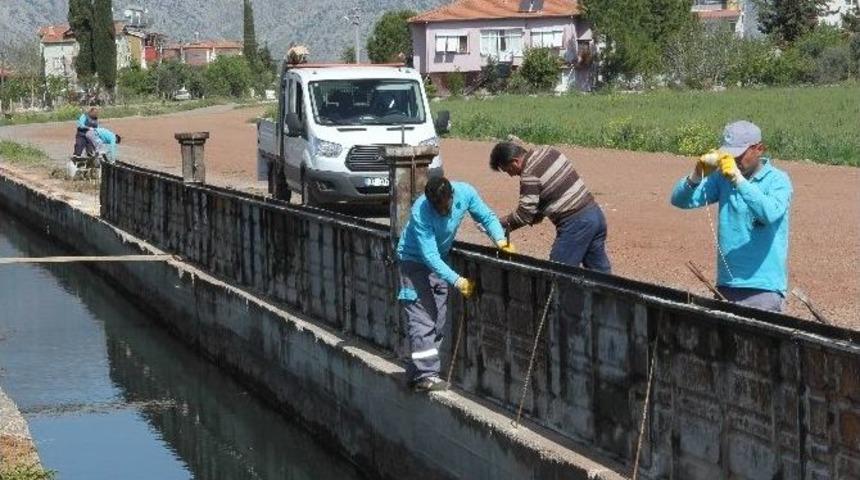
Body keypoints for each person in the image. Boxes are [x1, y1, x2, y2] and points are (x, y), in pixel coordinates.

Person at [397, 177, 515, 392]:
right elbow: (429, 255)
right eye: (438, 208)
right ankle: (426, 375)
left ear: (452, 195)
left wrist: (500, 240)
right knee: (422, 318)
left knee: (438, 320)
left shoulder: (465, 192)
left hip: (440, 261)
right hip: (414, 262)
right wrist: (458, 280)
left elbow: (486, 217)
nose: (443, 211)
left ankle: (415, 375)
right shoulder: (420, 211)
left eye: (446, 206)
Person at [670, 120, 793, 312]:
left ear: (759, 149)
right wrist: (696, 174)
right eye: (729, 155)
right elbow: (680, 201)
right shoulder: (722, 178)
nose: (734, 161)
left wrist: (738, 180)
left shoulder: (778, 180)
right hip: (727, 284)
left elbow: (768, 213)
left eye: (740, 155)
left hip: (763, 288)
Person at [488, 141, 611, 273]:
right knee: (601, 275)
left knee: (557, 273)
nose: (511, 175)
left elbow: (524, 215)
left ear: (515, 161)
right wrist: (534, 217)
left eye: (508, 170)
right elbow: (546, 198)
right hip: (595, 215)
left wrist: (499, 224)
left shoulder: (529, 173)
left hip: (576, 223)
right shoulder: (548, 151)